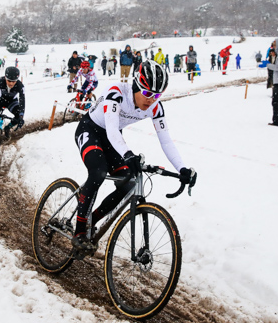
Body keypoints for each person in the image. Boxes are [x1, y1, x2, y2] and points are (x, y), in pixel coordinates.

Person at [70, 60, 196, 252]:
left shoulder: (156, 107)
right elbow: (111, 129)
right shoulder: (117, 93)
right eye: (146, 93)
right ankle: (79, 230)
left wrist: (182, 169)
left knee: (128, 183)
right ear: (136, 85)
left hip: (113, 138)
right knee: (98, 172)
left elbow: (166, 141)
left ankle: (91, 219)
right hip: (91, 129)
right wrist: (128, 154)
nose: (151, 100)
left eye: (157, 95)